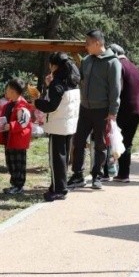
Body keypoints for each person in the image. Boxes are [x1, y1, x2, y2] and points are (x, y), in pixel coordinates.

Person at [69, 30, 122, 190]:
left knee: (100, 145)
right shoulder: (86, 60)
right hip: (84, 109)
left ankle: (97, 176)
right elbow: (79, 80)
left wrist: (113, 112)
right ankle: (77, 175)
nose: (85, 46)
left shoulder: (113, 62)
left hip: (103, 111)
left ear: (98, 43)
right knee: (78, 142)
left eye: (88, 43)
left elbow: (115, 89)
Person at [34, 53, 81, 201]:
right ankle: (59, 185)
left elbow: (51, 106)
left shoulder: (57, 83)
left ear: (54, 66)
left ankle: (58, 190)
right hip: (69, 125)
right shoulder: (73, 81)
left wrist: (36, 101)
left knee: (56, 160)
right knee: (63, 158)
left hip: (57, 126)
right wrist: (50, 85)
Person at [0, 79, 34, 195]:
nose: (5, 91)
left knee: (18, 164)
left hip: (18, 140)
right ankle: (14, 184)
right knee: (11, 162)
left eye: (7, 89)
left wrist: (11, 126)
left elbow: (23, 122)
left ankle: (19, 185)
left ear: (13, 91)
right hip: (9, 139)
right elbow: (4, 119)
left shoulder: (22, 106)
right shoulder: (9, 104)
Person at [108, 44, 139, 182]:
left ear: (114, 53)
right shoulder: (133, 66)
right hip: (138, 108)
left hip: (125, 108)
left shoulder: (118, 65)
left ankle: (114, 172)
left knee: (116, 140)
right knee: (127, 141)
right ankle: (123, 174)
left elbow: (117, 89)